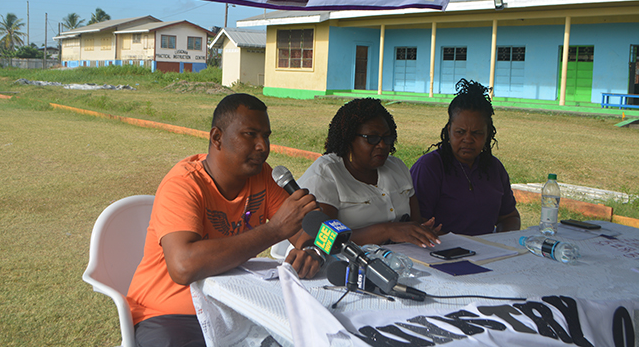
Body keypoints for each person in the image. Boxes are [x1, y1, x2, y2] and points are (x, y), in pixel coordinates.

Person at [126, 93, 321, 347]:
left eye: (266, 136)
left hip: (236, 305)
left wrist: (311, 250)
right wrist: (273, 230)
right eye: (250, 134)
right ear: (217, 138)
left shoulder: (263, 176)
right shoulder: (183, 184)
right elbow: (183, 266)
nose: (262, 146)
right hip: (170, 313)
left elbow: (306, 233)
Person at [298, 98, 440, 248]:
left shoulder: (397, 167)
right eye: (372, 138)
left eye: (387, 138)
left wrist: (420, 231)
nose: (383, 145)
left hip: (400, 259)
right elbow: (323, 239)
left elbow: (414, 221)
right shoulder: (326, 173)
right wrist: (387, 231)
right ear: (349, 139)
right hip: (344, 264)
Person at [410, 79, 521, 236]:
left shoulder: (494, 168)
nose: (468, 139)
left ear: (488, 134)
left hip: (487, 253)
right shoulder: (429, 167)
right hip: (441, 253)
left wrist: (500, 241)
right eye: (460, 132)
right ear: (449, 130)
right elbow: (418, 223)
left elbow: (510, 217)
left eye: (477, 133)